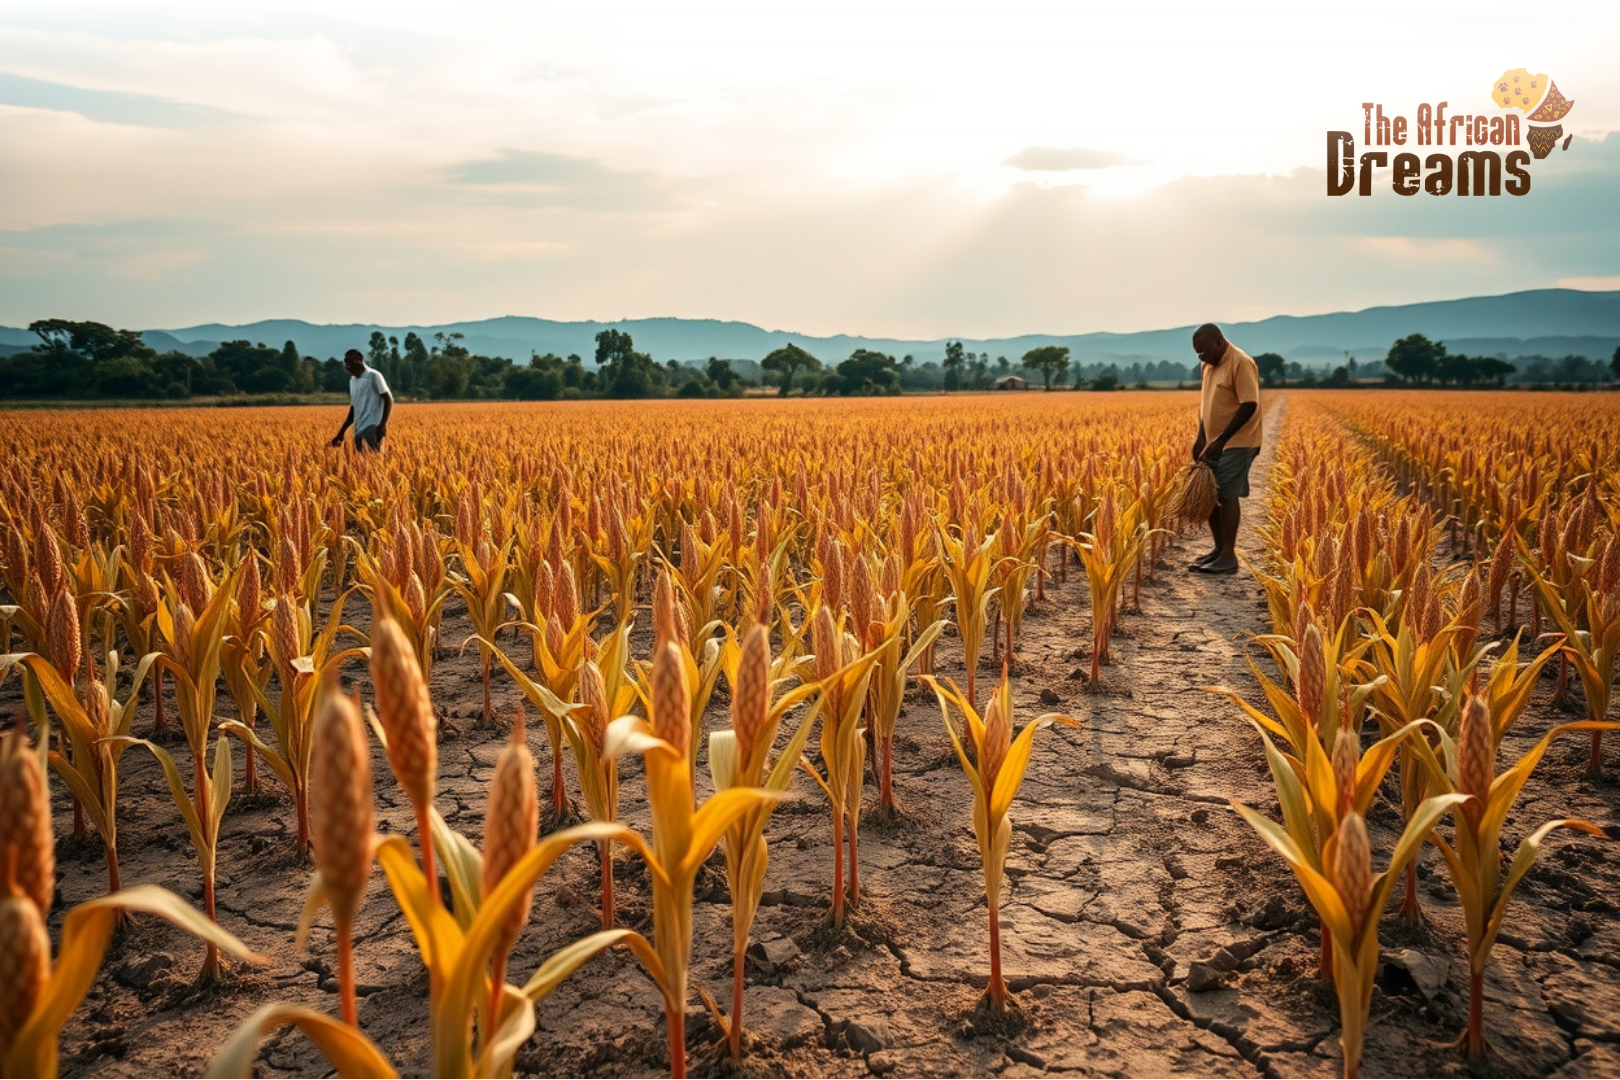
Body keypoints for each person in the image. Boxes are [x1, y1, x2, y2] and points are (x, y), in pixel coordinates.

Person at [1189, 323, 1261, 575]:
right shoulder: (1208, 366)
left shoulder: (1241, 363)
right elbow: (1205, 406)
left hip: (1238, 441)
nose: (1200, 357)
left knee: (1227, 494)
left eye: (1204, 351)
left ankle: (1229, 556)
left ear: (1219, 342)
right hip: (1213, 441)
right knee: (1210, 493)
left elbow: (1249, 404)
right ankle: (1218, 550)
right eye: (1197, 353)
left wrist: (1221, 439)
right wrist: (1201, 438)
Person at [330, 349, 393, 452]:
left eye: (351, 363)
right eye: (347, 365)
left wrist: (382, 425)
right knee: (360, 465)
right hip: (358, 429)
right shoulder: (353, 381)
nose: (349, 368)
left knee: (374, 461)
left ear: (360, 361)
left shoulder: (373, 375)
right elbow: (353, 409)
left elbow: (388, 398)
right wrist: (341, 433)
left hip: (372, 427)